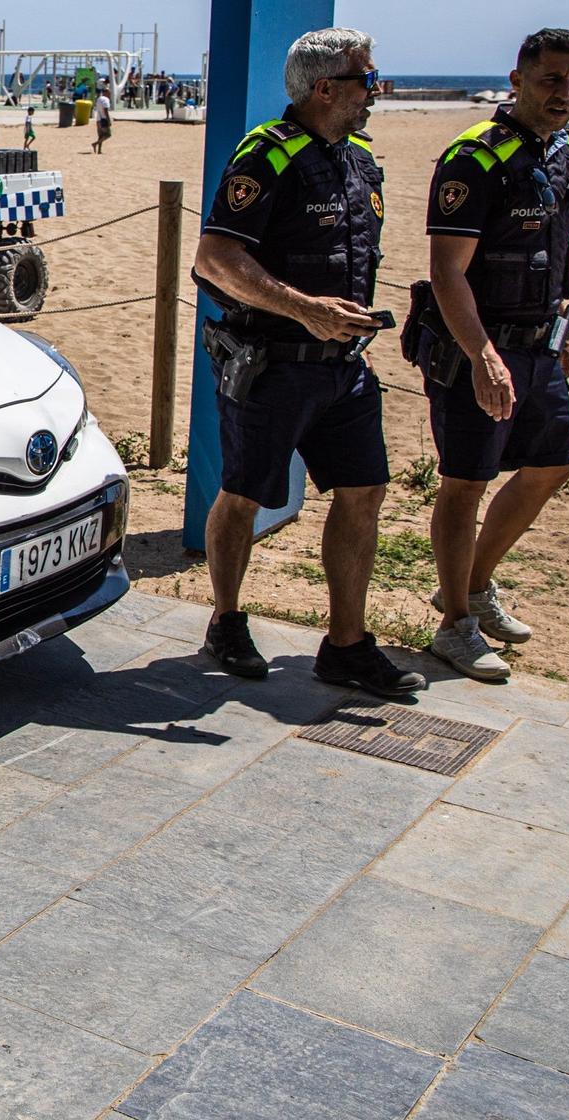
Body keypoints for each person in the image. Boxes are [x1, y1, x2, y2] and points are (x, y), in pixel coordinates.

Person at [189, 27, 426, 698]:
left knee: (364, 492)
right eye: (368, 80)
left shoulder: (355, 160)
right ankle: (227, 619)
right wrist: (305, 308)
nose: (376, 93)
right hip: (273, 365)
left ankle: (346, 645)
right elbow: (215, 259)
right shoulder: (268, 156)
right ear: (326, 88)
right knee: (242, 496)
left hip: (344, 368)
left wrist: (343, 320)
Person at [418, 29, 569, 681]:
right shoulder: (473, 158)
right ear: (517, 79)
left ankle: (471, 587)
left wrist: (562, 329)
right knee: (466, 483)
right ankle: (453, 627)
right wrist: (482, 355)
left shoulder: (564, 152)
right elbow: (447, 271)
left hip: (538, 345)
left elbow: (559, 249)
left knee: (552, 466)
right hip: (474, 348)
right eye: (552, 80)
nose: (564, 94)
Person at [92, 85, 113, 154]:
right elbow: (105, 110)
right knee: (108, 134)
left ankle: (99, 150)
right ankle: (95, 143)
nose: (110, 94)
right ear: (106, 93)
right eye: (109, 93)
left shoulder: (99, 99)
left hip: (98, 119)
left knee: (101, 135)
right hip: (103, 119)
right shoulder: (106, 100)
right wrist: (109, 120)